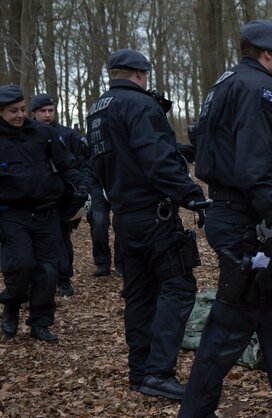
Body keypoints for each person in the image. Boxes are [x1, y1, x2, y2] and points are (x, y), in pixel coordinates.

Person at [178, 21, 272, 418]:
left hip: (244, 220)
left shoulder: (227, 83)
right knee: (229, 328)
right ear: (267, 54)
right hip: (249, 225)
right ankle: (194, 412)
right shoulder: (257, 90)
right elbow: (254, 161)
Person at [86, 49, 206, 400]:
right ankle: (158, 372)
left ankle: (139, 373)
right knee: (179, 288)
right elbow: (156, 162)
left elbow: (122, 158)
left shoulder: (97, 109)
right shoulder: (141, 105)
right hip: (155, 217)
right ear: (141, 74)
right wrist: (193, 196)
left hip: (125, 218)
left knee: (139, 295)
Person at [0, 85, 86, 343]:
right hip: (11, 214)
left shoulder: (43, 134)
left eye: (23, 109)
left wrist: (80, 186)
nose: (19, 115)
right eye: (13, 111)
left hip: (47, 213)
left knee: (49, 271)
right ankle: (12, 304)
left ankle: (41, 322)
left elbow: (66, 165)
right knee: (22, 265)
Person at [29, 93, 92, 297]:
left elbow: (81, 164)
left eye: (50, 110)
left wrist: (82, 188)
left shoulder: (68, 135)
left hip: (63, 196)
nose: (47, 115)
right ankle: (34, 284)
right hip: (33, 198)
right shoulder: (23, 136)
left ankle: (64, 279)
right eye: (42, 111)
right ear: (33, 113)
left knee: (62, 238)